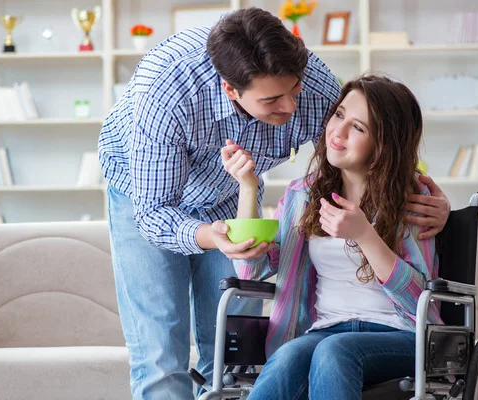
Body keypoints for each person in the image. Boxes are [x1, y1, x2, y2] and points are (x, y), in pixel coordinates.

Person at [98, 6, 449, 399]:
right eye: (271, 101)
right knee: (160, 353)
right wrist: (224, 221)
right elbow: (160, 217)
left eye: (294, 91)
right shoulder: (166, 94)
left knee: (227, 355)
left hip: (231, 197)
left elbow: (386, 147)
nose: (292, 108)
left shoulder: (317, 91)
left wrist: (435, 200)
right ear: (231, 90)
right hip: (146, 197)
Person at [222, 74, 446, 400]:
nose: (337, 132)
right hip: (325, 329)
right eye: (339, 115)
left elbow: (419, 299)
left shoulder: (413, 198)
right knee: (288, 356)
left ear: (383, 144)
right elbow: (249, 271)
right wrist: (248, 186)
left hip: (402, 334)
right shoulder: (303, 195)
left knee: (335, 350)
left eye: (358, 127)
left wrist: (365, 235)